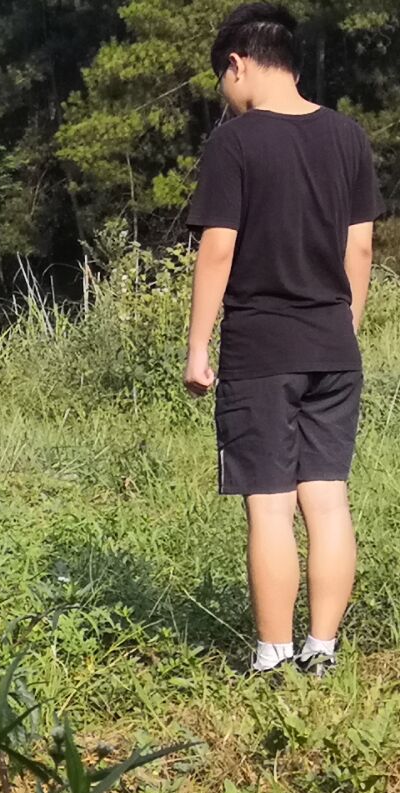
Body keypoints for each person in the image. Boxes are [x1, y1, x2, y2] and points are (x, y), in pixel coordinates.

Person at [185, 2, 381, 678]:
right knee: (326, 498)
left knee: (269, 503)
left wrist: (197, 347)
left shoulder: (234, 144)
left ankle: (272, 655)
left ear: (238, 64)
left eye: (223, 79)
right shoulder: (348, 136)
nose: (226, 95)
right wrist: (345, 325)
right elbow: (361, 247)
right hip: (333, 346)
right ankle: (321, 650)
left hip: (261, 350)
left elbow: (217, 251)